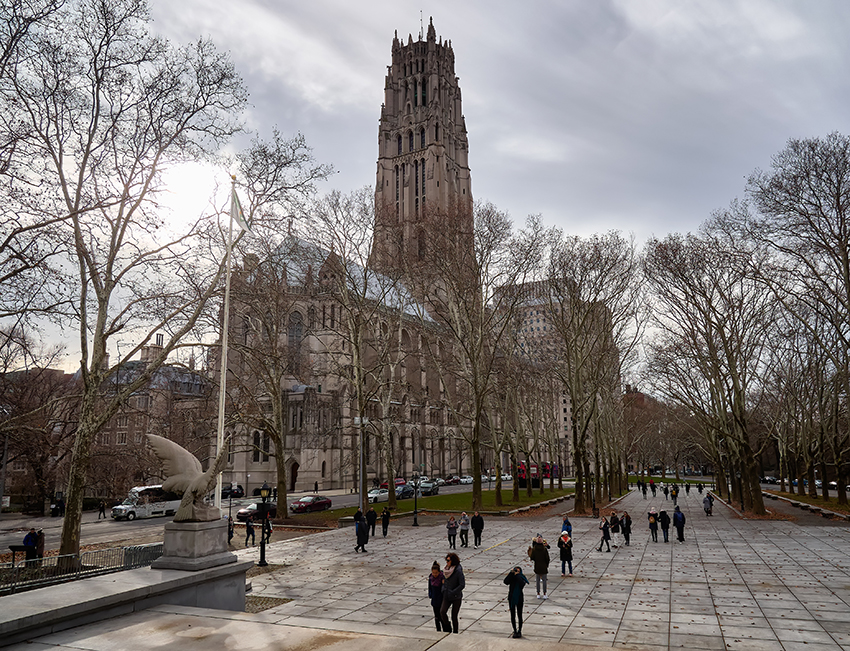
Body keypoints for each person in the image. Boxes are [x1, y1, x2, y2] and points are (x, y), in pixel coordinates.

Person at [440, 552, 465, 633]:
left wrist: (453, 592)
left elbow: (462, 584)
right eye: (446, 560)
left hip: (456, 597)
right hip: (446, 595)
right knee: (442, 612)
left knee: (454, 616)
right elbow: (444, 581)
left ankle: (455, 632)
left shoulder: (458, 571)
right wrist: (443, 589)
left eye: (448, 560)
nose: (447, 562)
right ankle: (448, 627)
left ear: (453, 561)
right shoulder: (446, 570)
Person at [504, 565, 529, 638]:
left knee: (519, 615)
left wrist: (517, 575)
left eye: (517, 571)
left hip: (519, 598)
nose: (516, 572)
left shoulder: (521, 577)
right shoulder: (512, 577)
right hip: (511, 598)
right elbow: (506, 582)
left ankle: (520, 630)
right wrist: (511, 573)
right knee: (512, 615)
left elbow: (522, 584)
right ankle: (514, 630)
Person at [528, 534, 550, 598]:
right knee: (544, 580)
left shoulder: (534, 549)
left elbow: (532, 557)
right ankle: (544, 593)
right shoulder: (544, 549)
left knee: (537, 581)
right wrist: (546, 565)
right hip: (544, 566)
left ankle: (538, 593)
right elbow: (547, 558)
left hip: (537, 566)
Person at [428, 561, 445, 631]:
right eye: (433, 573)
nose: (435, 574)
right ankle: (438, 629)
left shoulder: (442, 577)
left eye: (436, 573)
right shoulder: (431, 578)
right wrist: (430, 595)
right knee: (436, 616)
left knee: (442, 616)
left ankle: (445, 628)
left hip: (441, 599)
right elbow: (430, 588)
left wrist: (443, 584)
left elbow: (444, 589)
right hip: (434, 599)